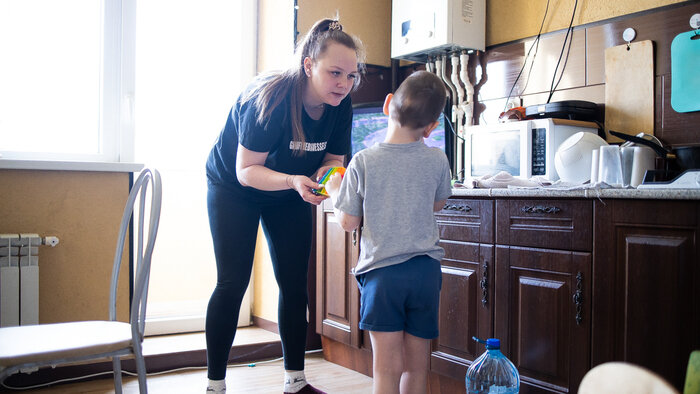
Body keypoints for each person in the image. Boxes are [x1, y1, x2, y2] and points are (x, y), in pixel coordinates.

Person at [204, 18, 364, 394]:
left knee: (294, 283)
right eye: (335, 73)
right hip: (234, 186)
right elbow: (247, 171)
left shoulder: (340, 105)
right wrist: (293, 181)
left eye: (352, 75)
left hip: (290, 189)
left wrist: (331, 182)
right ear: (308, 65)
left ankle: (295, 383)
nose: (344, 83)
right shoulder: (271, 97)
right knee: (232, 281)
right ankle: (215, 386)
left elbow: (333, 160)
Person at [324, 70, 452, 394]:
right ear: (431, 127)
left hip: (383, 276)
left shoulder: (363, 162)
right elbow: (436, 205)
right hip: (425, 272)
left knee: (386, 369)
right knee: (417, 368)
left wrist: (336, 189)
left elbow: (349, 221)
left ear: (387, 103)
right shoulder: (438, 159)